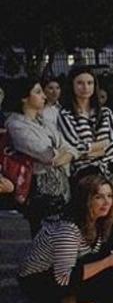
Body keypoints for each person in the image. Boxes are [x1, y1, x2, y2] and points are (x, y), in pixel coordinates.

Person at [17, 172, 113, 303]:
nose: (107, 202)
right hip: (37, 281)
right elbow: (63, 277)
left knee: (110, 268)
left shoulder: (98, 222)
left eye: (109, 196)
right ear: (85, 200)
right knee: (103, 266)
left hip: (56, 273)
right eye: (98, 197)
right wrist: (109, 262)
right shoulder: (69, 228)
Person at [3, 78, 79, 235]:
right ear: (24, 97)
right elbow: (46, 155)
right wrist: (63, 154)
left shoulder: (43, 121)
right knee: (45, 236)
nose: (44, 96)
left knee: (62, 234)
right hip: (40, 187)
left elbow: (70, 147)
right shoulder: (16, 124)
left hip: (61, 184)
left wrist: (66, 154)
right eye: (38, 92)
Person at [58, 66, 113, 180]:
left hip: (109, 171)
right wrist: (101, 144)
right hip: (84, 174)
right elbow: (75, 148)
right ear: (72, 85)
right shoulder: (66, 114)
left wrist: (98, 152)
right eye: (80, 83)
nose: (85, 87)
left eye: (90, 83)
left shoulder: (105, 112)